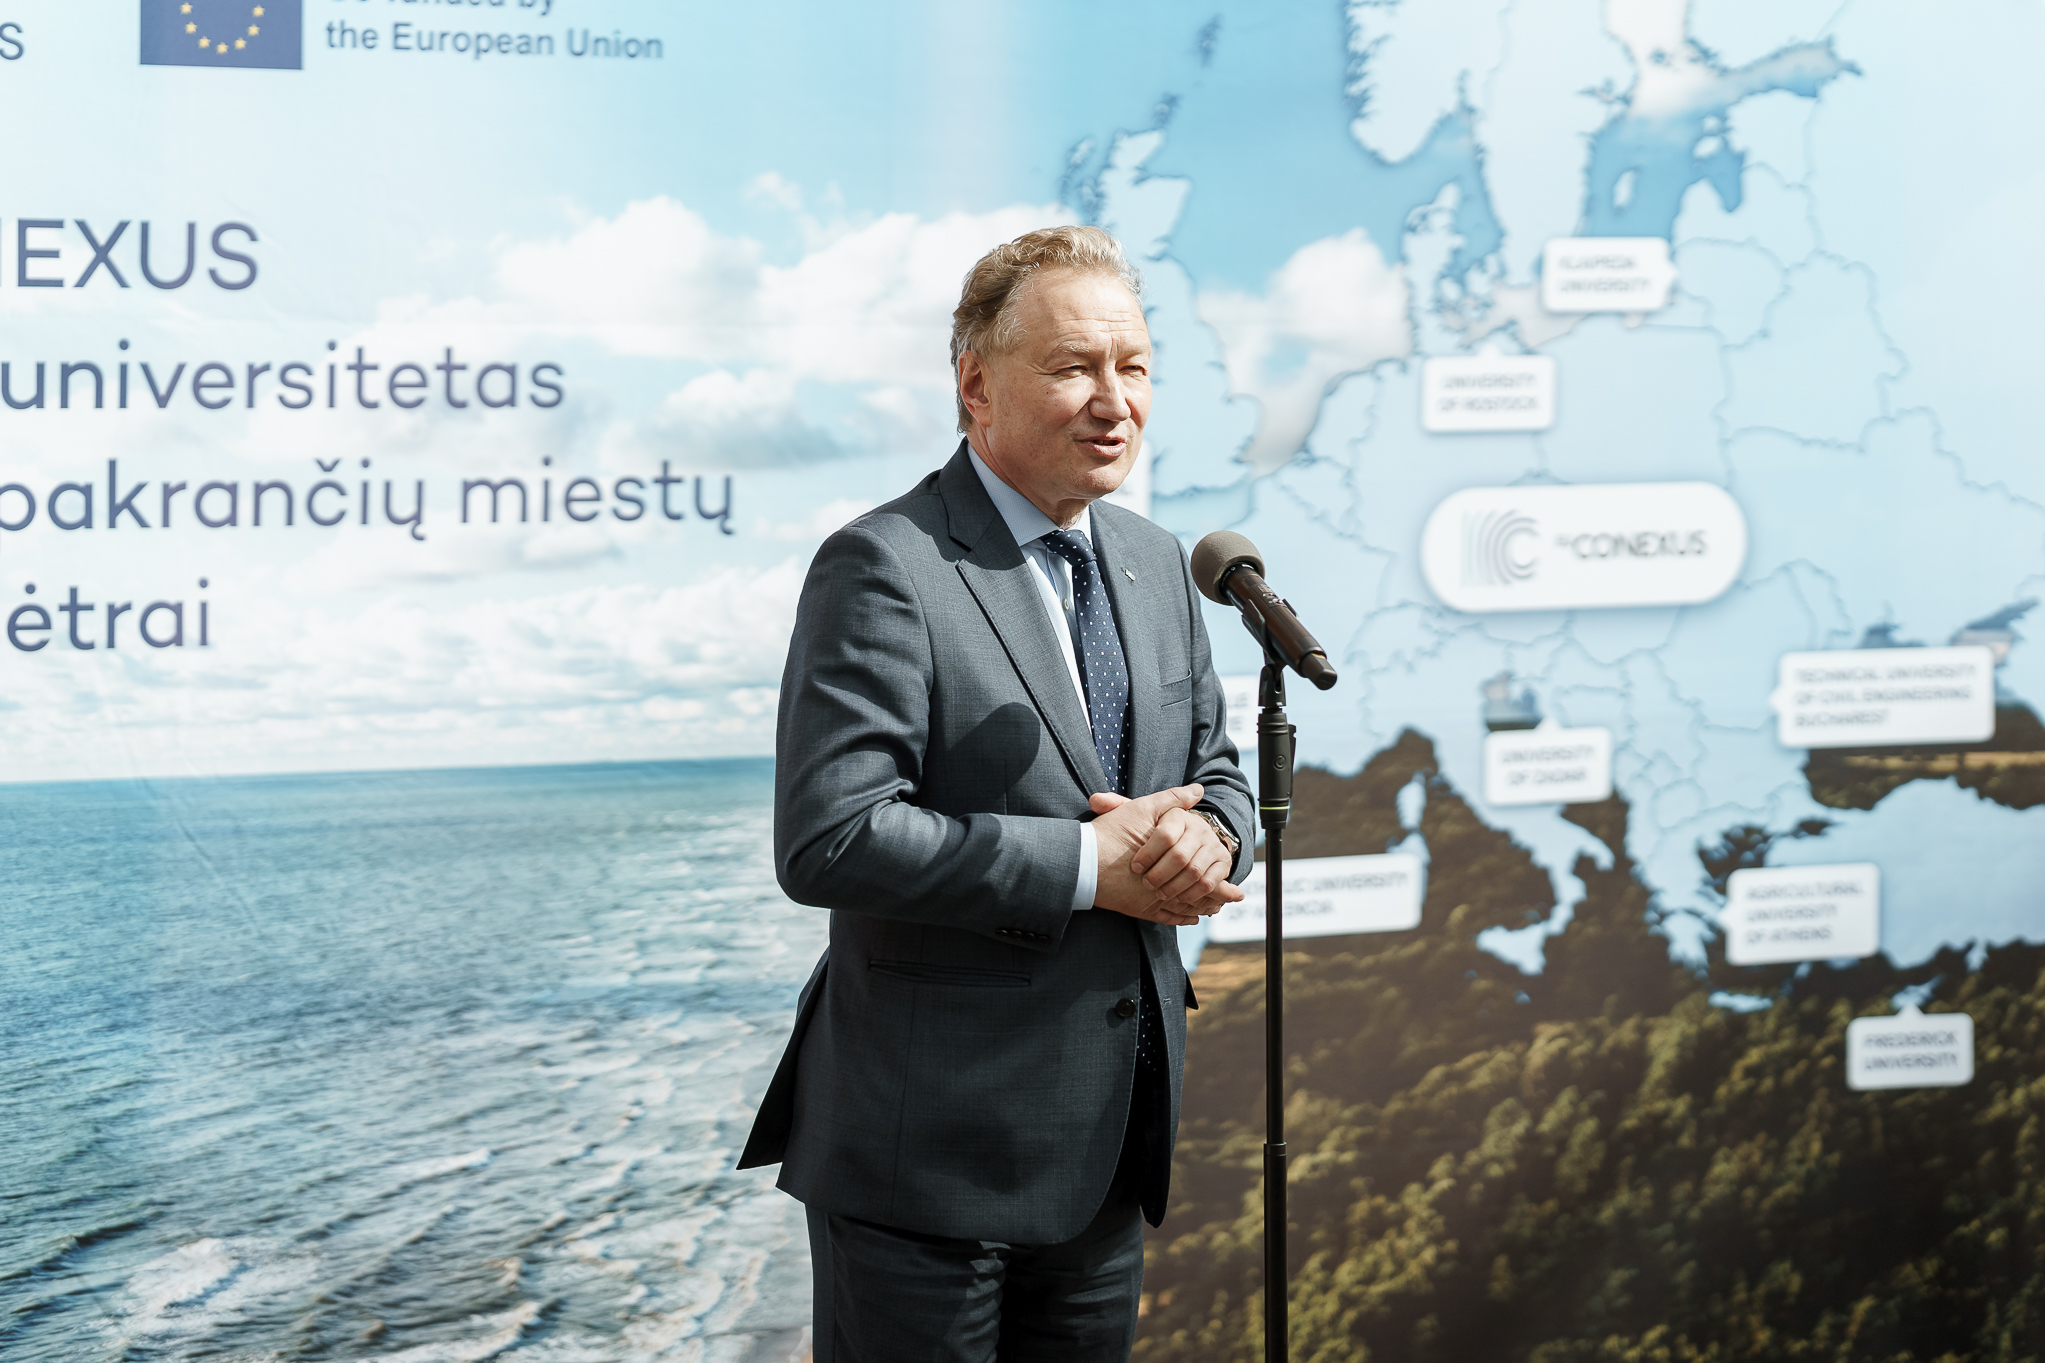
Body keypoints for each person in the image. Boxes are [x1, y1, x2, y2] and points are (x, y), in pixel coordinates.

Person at [738, 225, 1254, 1361]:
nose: (1114, 401)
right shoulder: (885, 564)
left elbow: (1216, 772)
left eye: (1134, 366)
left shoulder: (1158, 563)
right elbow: (832, 836)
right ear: (975, 386)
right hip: (926, 1161)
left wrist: (1213, 839)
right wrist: (1089, 868)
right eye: (1074, 367)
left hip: (1107, 1147)